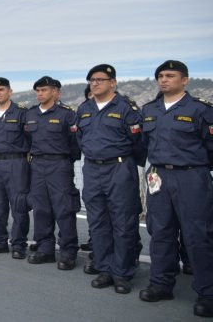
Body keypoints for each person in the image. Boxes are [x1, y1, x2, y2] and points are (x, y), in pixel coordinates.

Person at [138, 60, 213, 318]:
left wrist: (196, 169)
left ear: (185, 80)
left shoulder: (200, 110)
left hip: (191, 176)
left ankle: (208, 292)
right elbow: (143, 145)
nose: (163, 80)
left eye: (170, 75)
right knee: (160, 233)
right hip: (158, 175)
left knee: (198, 235)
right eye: (160, 75)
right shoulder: (149, 110)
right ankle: (161, 284)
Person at [76, 64, 144, 295]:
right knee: (98, 222)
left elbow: (139, 143)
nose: (94, 83)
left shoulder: (126, 108)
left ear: (113, 82)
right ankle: (105, 268)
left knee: (123, 222)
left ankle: (122, 272)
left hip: (119, 168)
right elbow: (81, 140)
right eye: (91, 80)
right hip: (92, 169)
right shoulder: (84, 108)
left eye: (100, 79)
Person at [24, 76, 81, 270]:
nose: (40, 93)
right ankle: (45, 248)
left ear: (56, 93)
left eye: (45, 90)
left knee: (63, 209)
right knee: (40, 209)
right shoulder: (30, 114)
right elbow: (27, 141)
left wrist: (64, 161)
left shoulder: (67, 114)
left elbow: (75, 144)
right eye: (38, 90)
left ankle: (68, 252)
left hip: (59, 165)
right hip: (37, 165)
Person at [0, 77, 30, 259]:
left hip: (16, 162)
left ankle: (18, 244)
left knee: (19, 204)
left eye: (2, 89)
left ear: (10, 91)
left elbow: (31, 139)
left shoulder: (21, 113)